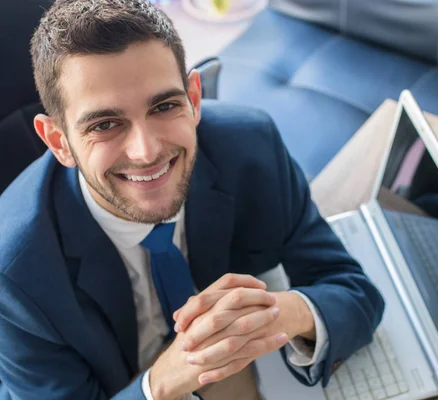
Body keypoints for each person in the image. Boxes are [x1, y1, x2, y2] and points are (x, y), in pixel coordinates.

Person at [0, 0, 385, 398]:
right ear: (59, 143)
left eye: (164, 106)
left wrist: (283, 313)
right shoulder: (14, 273)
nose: (146, 152)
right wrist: (160, 384)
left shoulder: (252, 147)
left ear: (194, 99)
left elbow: (356, 293)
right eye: (106, 124)